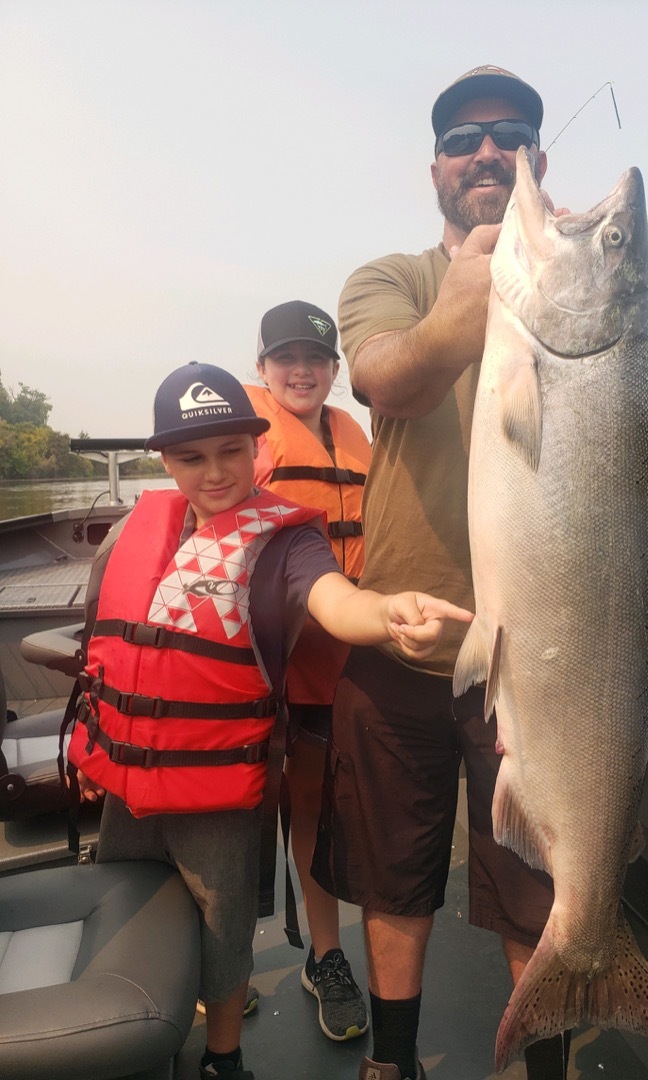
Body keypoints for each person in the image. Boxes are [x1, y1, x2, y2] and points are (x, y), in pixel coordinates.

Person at [67, 361, 471, 1080]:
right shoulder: (134, 531)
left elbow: (334, 599)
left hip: (212, 795)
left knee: (222, 939)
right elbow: (104, 649)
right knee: (129, 921)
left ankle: (224, 1059)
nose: (215, 472)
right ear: (164, 459)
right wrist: (93, 750)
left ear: (259, 449)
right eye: (192, 457)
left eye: (232, 451)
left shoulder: (287, 543)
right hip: (125, 789)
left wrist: (384, 613)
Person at [311, 66, 570, 1080]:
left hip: (535, 659)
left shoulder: (573, 287)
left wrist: (520, 264)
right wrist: (472, 276)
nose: (486, 153)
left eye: (508, 136)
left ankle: (538, 1065)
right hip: (398, 639)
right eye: (463, 141)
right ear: (434, 169)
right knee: (392, 878)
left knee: (533, 889)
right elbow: (392, 380)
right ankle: (394, 1061)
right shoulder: (392, 277)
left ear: (536, 162)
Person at [244, 300, 372, 1041]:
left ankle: (325, 957)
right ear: (260, 368)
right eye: (285, 358)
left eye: (316, 359)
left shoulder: (356, 437)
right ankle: (220, 963)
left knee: (318, 815)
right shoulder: (244, 439)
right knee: (235, 821)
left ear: (333, 370)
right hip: (261, 668)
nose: (301, 370)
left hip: (340, 663)